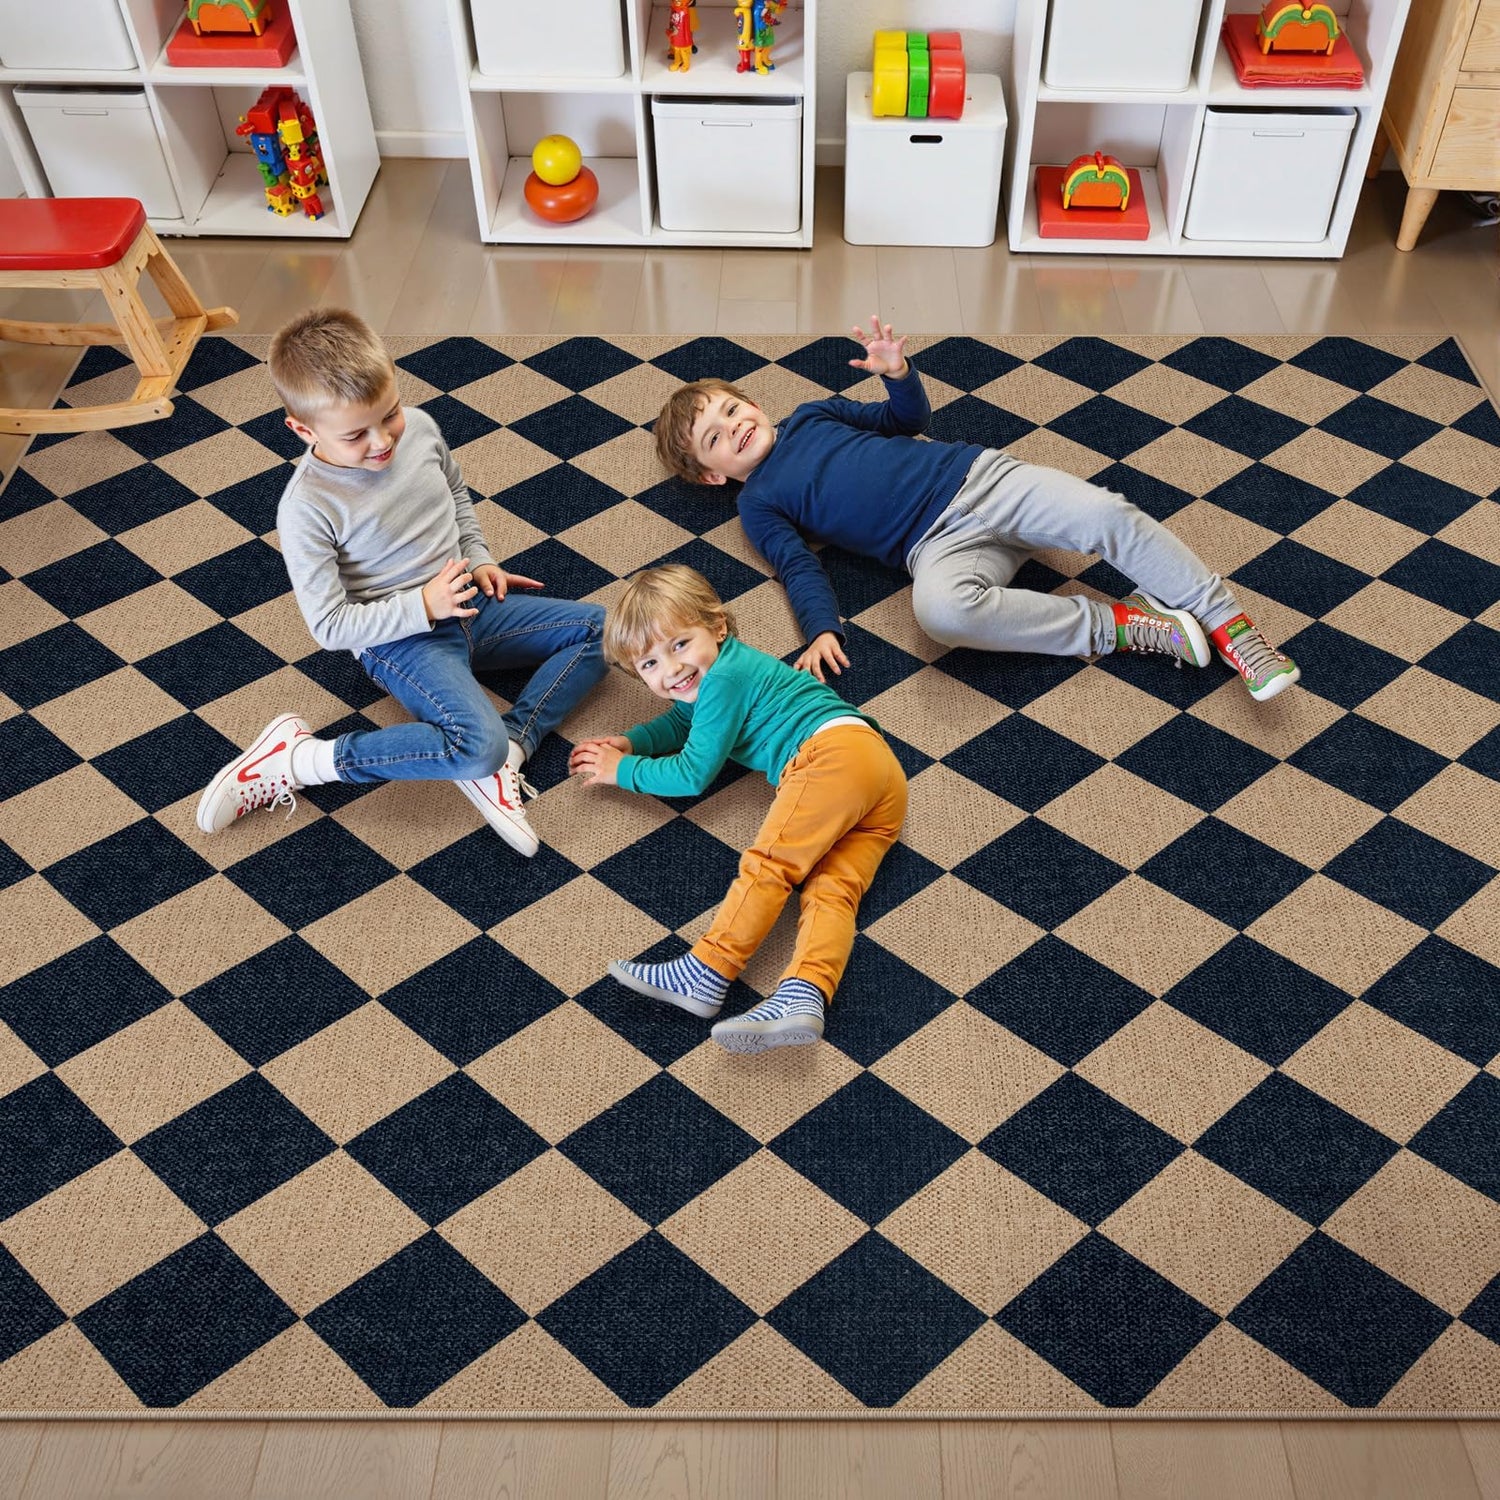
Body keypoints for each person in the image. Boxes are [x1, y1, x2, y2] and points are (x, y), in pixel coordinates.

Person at [652, 315, 1301, 703]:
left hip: (982, 482)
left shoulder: (815, 414)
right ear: (713, 475)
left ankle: (1229, 624)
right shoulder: (758, 504)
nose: (734, 427)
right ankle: (1125, 625)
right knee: (940, 615)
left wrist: (898, 375)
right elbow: (798, 567)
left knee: (1106, 515)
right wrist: (822, 629)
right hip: (937, 550)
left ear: (754, 404)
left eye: (732, 410)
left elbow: (905, 421)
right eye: (715, 438)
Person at [195, 306, 607, 856]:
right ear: (303, 430)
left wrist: (478, 558)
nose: (381, 441)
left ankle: (511, 748)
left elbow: (454, 494)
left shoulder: (421, 428)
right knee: (474, 746)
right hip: (401, 641)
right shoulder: (306, 508)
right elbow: (329, 626)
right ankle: (299, 760)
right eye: (355, 435)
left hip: (469, 602)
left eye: (389, 414)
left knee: (605, 630)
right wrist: (424, 607)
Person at [570, 564, 908, 1054]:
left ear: (719, 627)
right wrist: (634, 741)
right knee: (832, 892)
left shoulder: (725, 677)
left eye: (680, 644)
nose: (671, 670)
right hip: (879, 775)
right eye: (649, 664)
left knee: (770, 864)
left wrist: (623, 770)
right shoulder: (717, 676)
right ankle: (805, 993)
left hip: (830, 756)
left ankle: (709, 969)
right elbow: (684, 721)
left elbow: (692, 773)